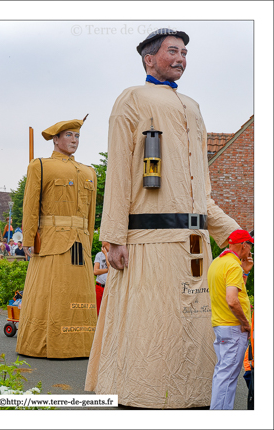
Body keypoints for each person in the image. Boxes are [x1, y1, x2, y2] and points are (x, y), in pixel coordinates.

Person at [85, 28, 241, 409]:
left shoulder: (193, 106)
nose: (181, 58)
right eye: (173, 51)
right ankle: (140, 398)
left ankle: (195, 398)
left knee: (193, 323)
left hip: (194, 245)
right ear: (149, 59)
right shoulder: (132, 99)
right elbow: (120, 171)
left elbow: (202, 191)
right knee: (152, 327)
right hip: (148, 242)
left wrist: (234, 234)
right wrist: (113, 237)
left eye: (185, 52)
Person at [16, 117, 97, 358]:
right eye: (69, 135)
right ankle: (43, 345)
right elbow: (30, 205)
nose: (74, 140)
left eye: (78, 136)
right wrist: (28, 238)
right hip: (52, 241)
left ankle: (82, 345)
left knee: (79, 294)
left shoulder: (89, 171)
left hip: (79, 242)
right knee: (51, 291)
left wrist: (88, 243)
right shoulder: (40, 166)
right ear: (56, 139)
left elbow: (90, 215)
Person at [207, 229, 254, 410]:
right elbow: (232, 300)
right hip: (234, 328)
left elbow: (227, 290)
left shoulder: (218, 262)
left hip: (221, 325)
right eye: (250, 245)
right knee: (227, 377)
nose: (250, 250)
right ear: (244, 245)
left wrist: (245, 273)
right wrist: (245, 323)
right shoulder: (233, 265)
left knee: (223, 373)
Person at [93, 241, 110, 316]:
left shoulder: (113, 254)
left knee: (109, 311)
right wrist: (108, 270)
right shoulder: (99, 255)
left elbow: (111, 267)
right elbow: (95, 271)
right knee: (99, 312)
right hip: (100, 287)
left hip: (110, 287)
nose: (102, 241)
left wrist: (106, 254)